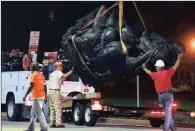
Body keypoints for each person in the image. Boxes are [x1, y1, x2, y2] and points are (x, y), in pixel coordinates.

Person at [142, 53, 183, 131]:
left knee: (167, 112)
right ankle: (166, 128)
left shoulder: (155, 75)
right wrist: (179, 58)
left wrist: (144, 67)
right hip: (169, 95)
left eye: (156, 67)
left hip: (161, 96)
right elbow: (176, 66)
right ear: (163, 67)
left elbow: (148, 72)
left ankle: (172, 127)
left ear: (158, 67)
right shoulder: (168, 72)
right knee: (168, 113)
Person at [23, 62, 48, 131]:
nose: (30, 67)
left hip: (37, 96)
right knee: (33, 113)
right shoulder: (41, 75)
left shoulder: (34, 75)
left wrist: (25, 95)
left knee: (39, 112)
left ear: (33, 67)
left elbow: (32, 86)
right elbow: (45, 86)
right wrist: (46, 96)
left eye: (31, 66)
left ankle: (44, 128)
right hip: (41, 95)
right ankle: (31, 128)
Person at [48, 61, 74, 128]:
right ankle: (58, 123)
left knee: (52, 108)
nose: (62, 68)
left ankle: (52, 123)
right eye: (61, 66)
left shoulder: (51, 74)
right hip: (55, 91)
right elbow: (64, 76)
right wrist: (71, 71)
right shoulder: (58, 72)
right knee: (58, 108)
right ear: (58, 67)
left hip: (50, 91)